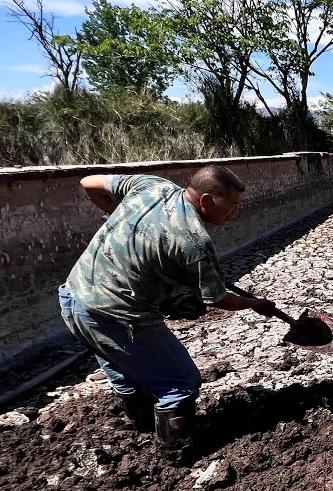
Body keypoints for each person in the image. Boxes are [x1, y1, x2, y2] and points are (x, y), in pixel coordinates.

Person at [58, 165, 277, 451]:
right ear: (207, 201)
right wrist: (255, 303)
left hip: (75, 299)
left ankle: (145, 428)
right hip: (120, 316)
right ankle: (177, 454)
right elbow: (218, 299)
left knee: (129, 375)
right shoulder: (194, 243)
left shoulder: (151, 186)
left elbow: (89, 182)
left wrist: (119, 217)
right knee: (181, 383)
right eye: (233, 206)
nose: (235, 212)